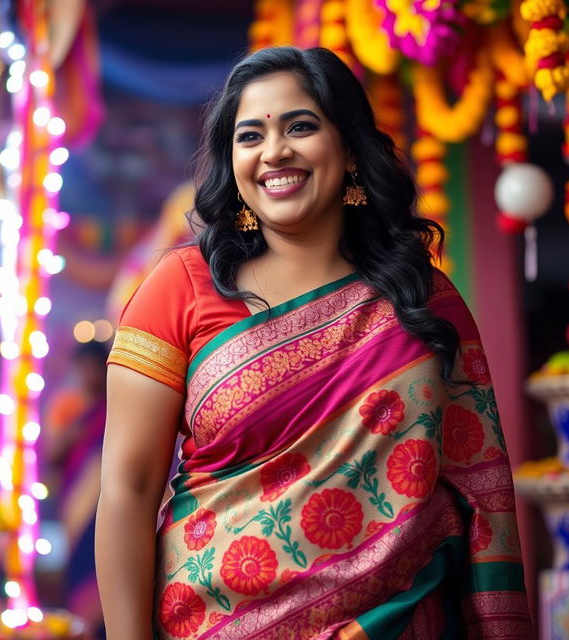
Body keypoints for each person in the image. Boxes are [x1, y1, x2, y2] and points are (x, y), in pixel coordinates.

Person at [96, 47, 532, 639]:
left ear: (350, 148)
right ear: (233, 159)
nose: (274, 151)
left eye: (300, 126)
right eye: (250, 135)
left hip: (396, 622)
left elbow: (479, 482)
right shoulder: (180, 287)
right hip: (217, 623)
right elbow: (128, 487)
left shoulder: (421, 296)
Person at [45, 340, 108, 639]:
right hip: (74, 509)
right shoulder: (74, 411)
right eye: (81, 368)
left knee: (95, 594)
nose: (87, 375)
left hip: (98, 515)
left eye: (93, 368)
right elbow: (51, 456)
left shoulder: (111, 412)